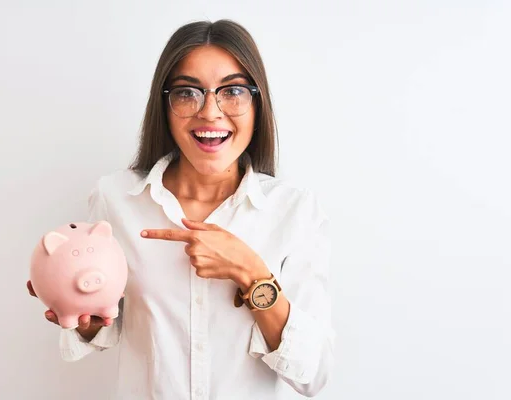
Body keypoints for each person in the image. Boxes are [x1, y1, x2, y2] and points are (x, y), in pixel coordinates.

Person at [27, 19, 335, 399]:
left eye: (232, 91)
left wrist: (252, 273)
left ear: (257, 103)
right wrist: (85, 320)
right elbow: (105, 326)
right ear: (165, 103)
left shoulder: (293, 211)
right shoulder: (116, 198)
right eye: (188, 93)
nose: (210, 112)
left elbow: (314, 374)